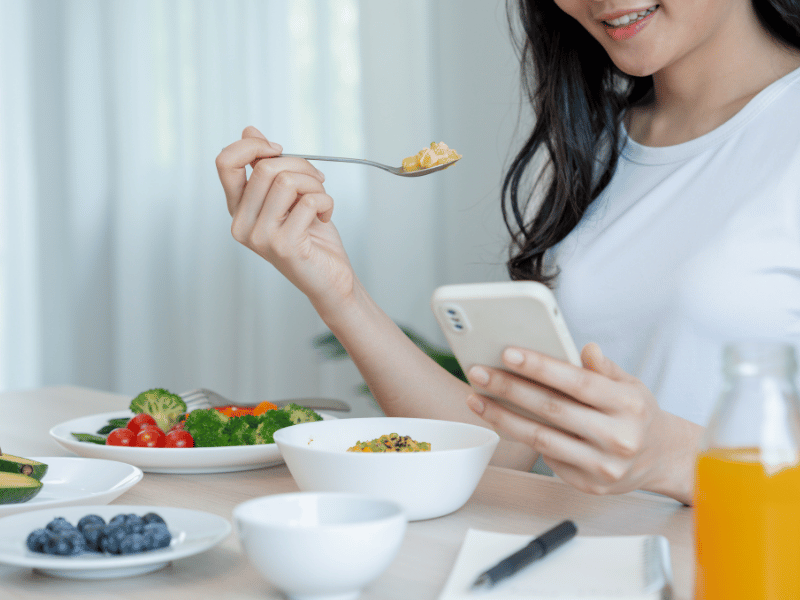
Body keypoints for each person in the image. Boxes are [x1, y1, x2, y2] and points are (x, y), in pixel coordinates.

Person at [215, 0, 800, 506]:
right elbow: (511, 446)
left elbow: (659, 459)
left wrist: (673, 458)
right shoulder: (594, 150)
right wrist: (338, 293)